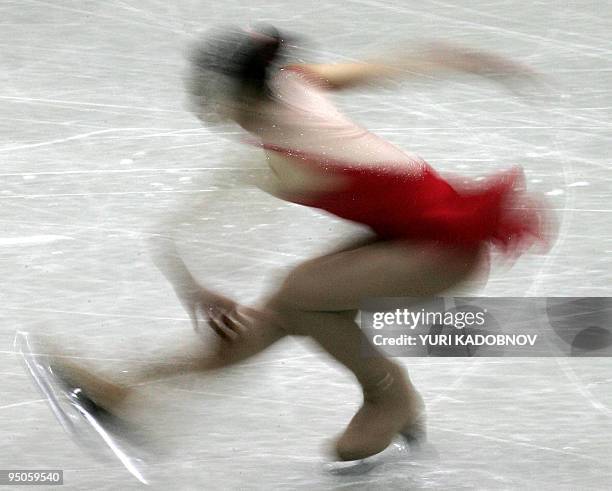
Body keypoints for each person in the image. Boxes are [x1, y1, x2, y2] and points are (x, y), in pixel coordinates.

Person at [40, 24, 554, 462]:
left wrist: (196, 288)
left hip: (441, 252)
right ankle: (123, 392)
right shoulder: (295, 83)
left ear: (237, 94)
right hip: (403, 239)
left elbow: (188, 229)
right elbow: (387, 69)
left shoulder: (282, 159)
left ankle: (389, 395)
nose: (209, 100)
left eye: (215, 90)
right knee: (275, 316)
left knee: (298, 292)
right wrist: (464, 60)